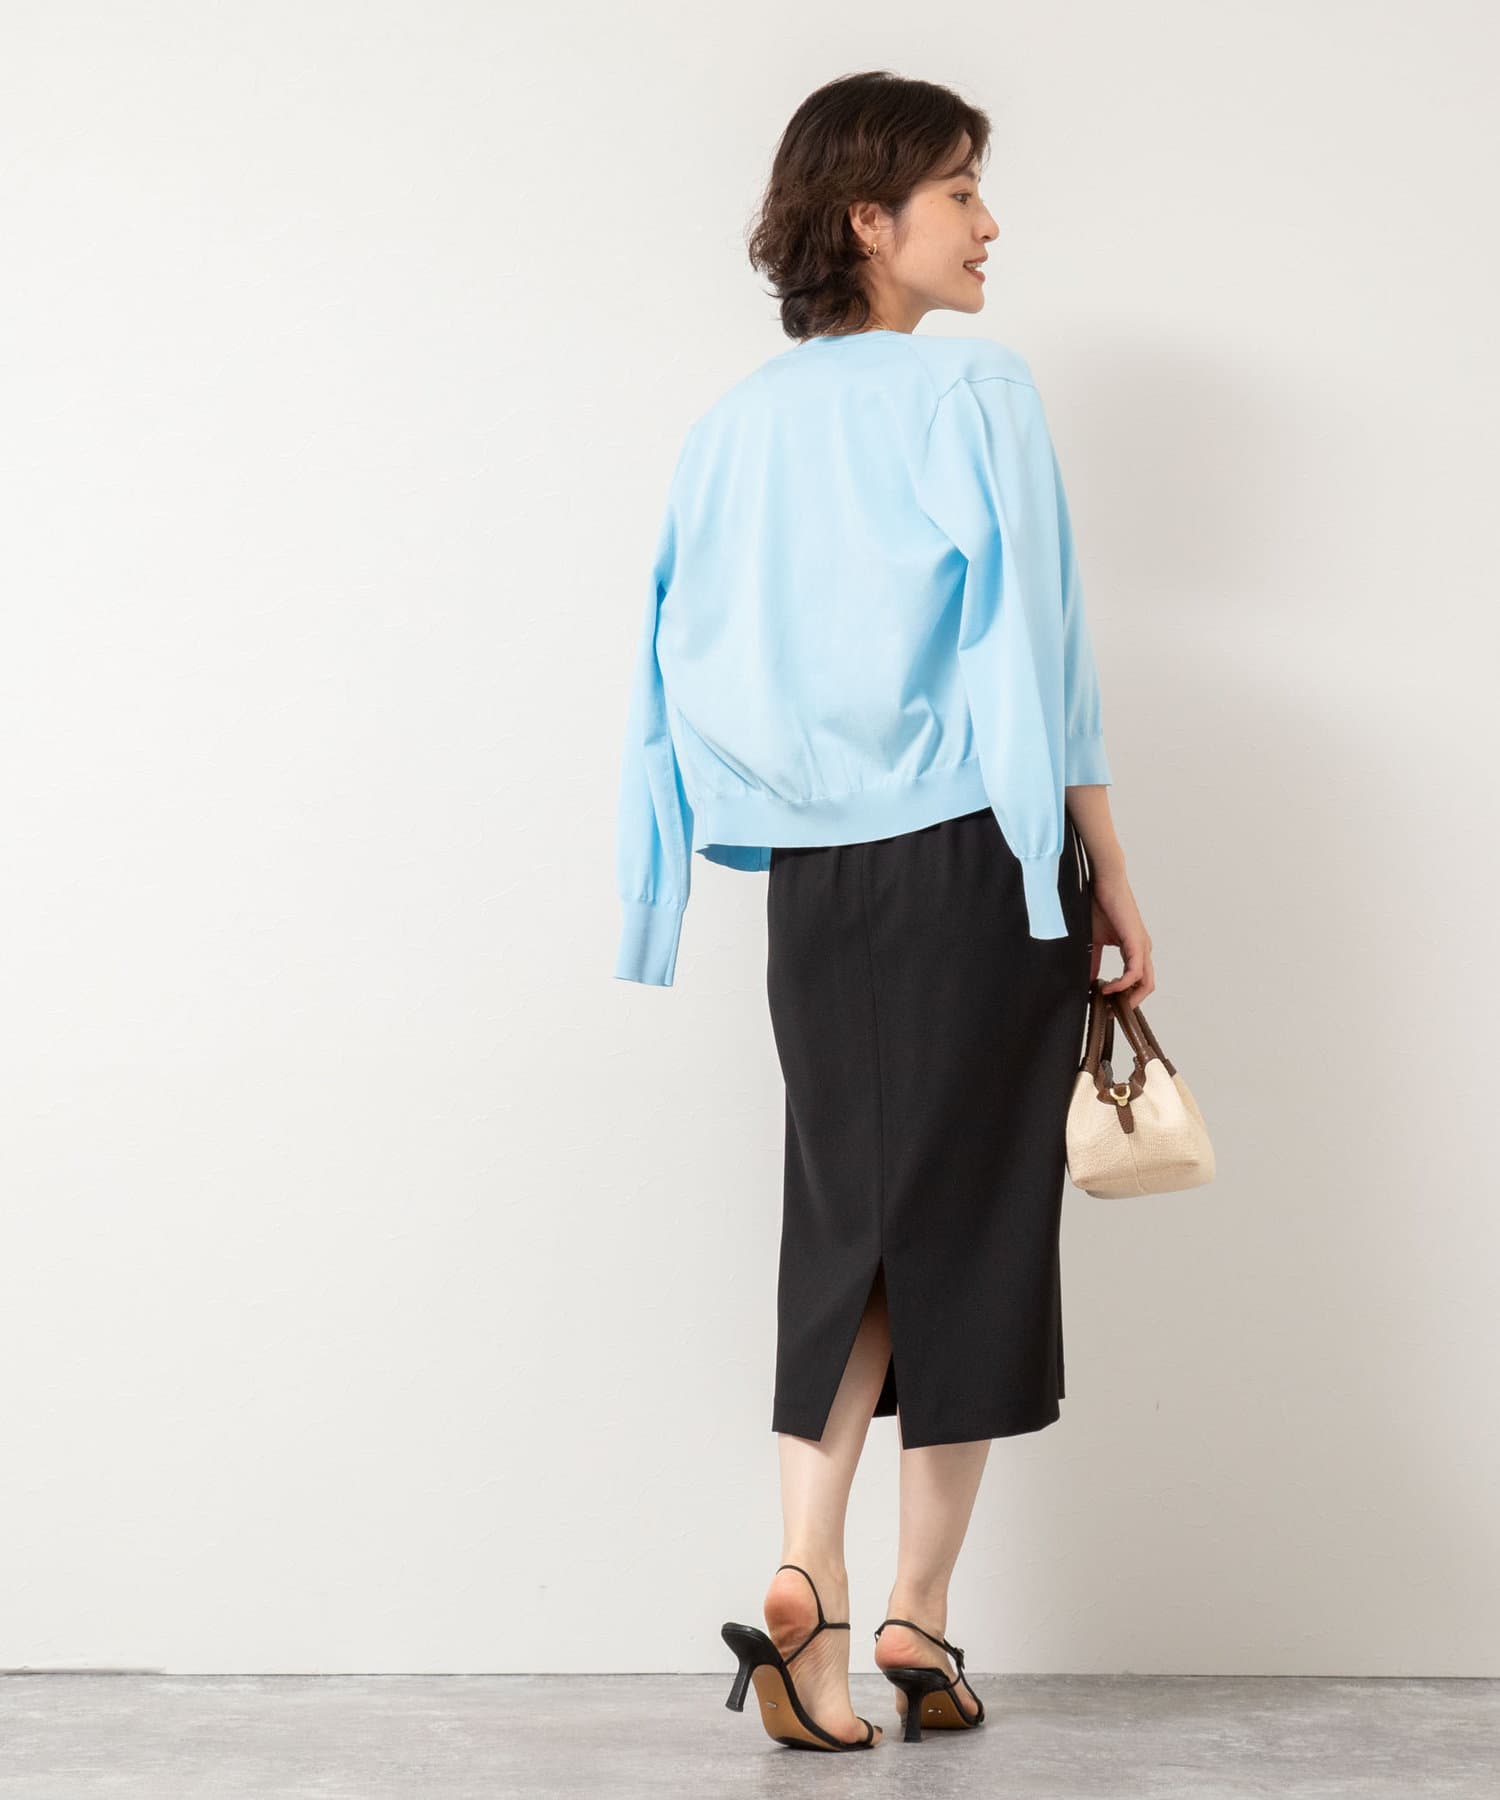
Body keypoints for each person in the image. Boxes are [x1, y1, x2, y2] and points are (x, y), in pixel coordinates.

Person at [614, 71, 1155, 1752]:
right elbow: (1037, 650)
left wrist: (680, 860)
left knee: (848, 1210)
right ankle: (895, 1603)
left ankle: (823, 1582)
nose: (991, 224)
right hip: (975, 855)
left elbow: (672, 665)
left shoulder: (732, 429)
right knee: (971, 1220)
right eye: (962, 190)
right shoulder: (974, 387)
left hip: (816, 882)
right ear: (872, 218)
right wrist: (1102, 869)